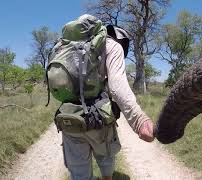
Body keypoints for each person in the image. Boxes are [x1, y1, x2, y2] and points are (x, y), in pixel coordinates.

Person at [61, 23, 155, 180]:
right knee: (106, 164)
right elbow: (118, 88)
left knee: (80, 175)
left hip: (70, 119)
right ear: (122, 40)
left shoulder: (71, 48)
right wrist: (139, 120)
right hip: (99, 122)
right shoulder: (113, 46)